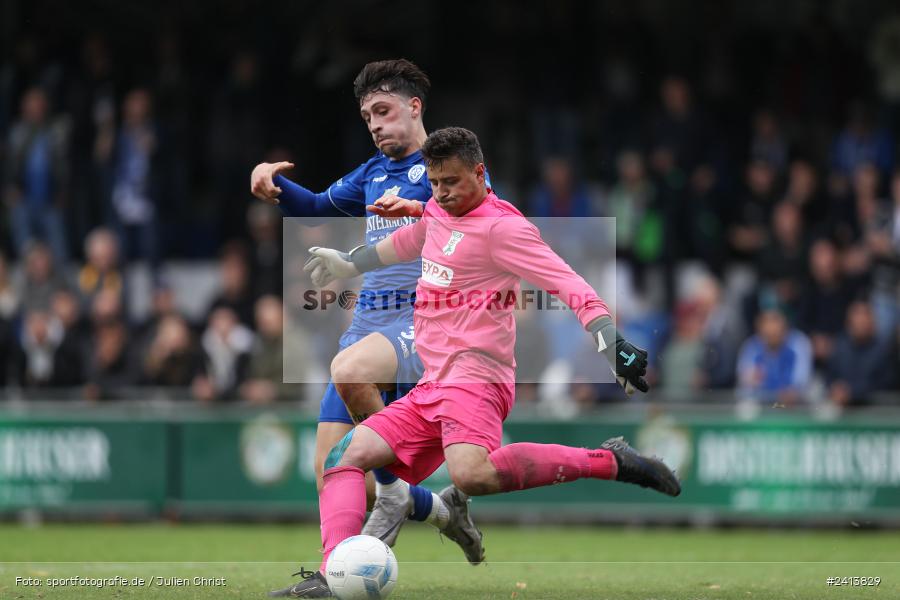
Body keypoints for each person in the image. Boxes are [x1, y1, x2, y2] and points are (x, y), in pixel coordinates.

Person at [270, 127, 680, 597]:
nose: (441, 193)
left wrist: (609, 338)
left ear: (481, 174)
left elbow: (567, 282)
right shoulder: (439, 211)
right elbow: (409, 241)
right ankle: (331, 576)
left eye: (451, 183)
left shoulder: (505, 228)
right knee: (343, 460)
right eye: (435, 182)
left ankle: (611, 462)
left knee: (470, 474)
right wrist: (350, 262)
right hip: (432, 383)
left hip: (477, 379)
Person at [249, 60, 480, 560]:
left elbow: (483, 222)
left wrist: (423, 212)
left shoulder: (447, 162)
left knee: (351, 378)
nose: (374, 123)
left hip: (420, 324)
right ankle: (439, 514)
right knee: (332, 472)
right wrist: (272, 182)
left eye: (383, 110)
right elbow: (312, 209)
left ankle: (389, 496)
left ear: (413, 107)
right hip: (367, 327)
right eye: (367, 116)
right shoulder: (373, 172)